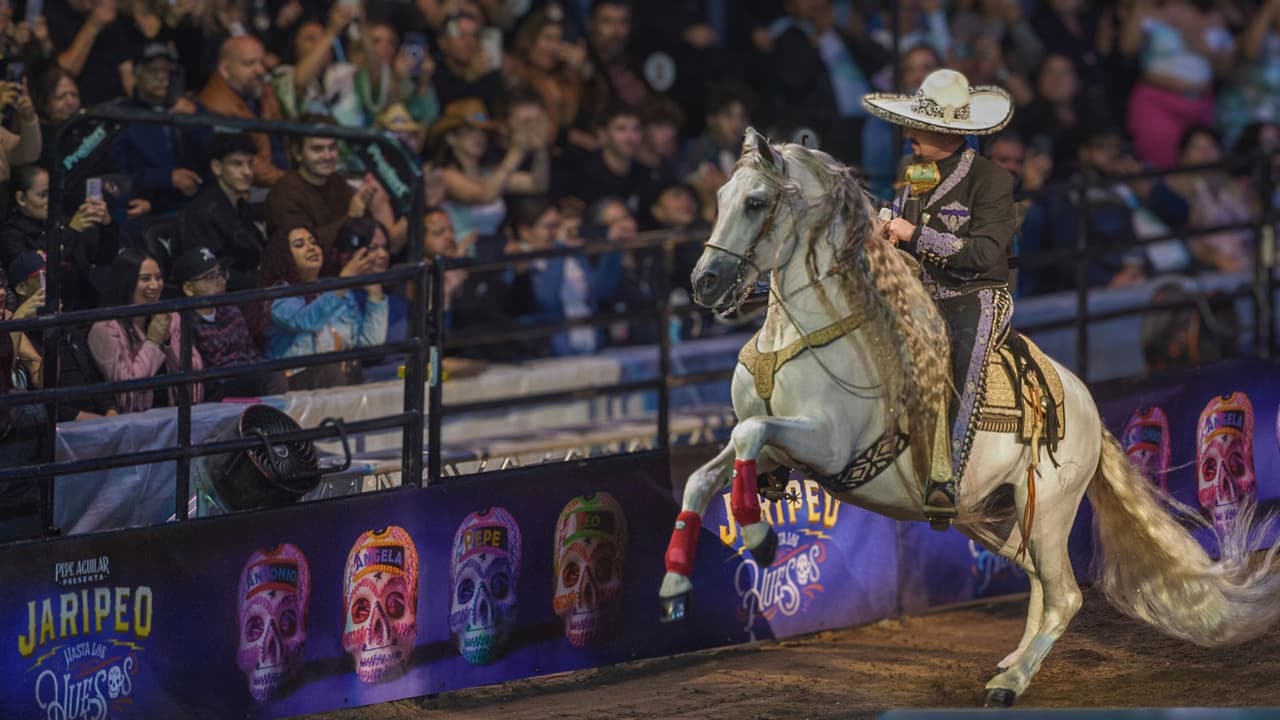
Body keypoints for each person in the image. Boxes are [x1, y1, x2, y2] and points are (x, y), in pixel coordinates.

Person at [862, 68, 1017, 527]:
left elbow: (987, 255)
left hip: (976, 293)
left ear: (949, 134)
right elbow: (903, 225)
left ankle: (944, 479)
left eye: (921, 128)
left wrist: (914, 235)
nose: (909, 133)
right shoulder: (915, 173)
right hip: (919, 293)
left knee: (962, 357)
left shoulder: (991, 180)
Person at [254, 227, 387, 391]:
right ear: (284, 256)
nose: (311, 247)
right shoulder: (278, 296)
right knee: (329, 371)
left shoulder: (336, 293)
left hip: (339, 378)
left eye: (313, 242)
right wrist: (342, 283)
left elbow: (370, 344)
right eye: (299, 244)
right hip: (295, 383)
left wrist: (375, 296)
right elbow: (307, 321)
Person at [87, 248, 205, 414]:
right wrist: (153, 342)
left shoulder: (170, 316)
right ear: (126, 282)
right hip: (135, 422)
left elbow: (194, 371)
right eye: (145, 279)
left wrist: (167, 342)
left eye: (158, 278)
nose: (155, 285)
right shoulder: (105, 328)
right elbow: (129, 389)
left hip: (175, 413)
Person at [171, 246, 285, 400]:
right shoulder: (184, 322)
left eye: (221, 274)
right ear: (189, 289)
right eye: (210, 277)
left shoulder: (231, 310)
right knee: (268, 377)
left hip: (249, 376)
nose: (219, 282)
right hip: (219, 388)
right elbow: (205, 373)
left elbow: (250, 350)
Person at [179, 132, 267, 291]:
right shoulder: (202, 212)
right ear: (217, 167)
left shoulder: (242, 207)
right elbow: (209, 272)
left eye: (250, 164)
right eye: (237, 164)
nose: (247, 172)